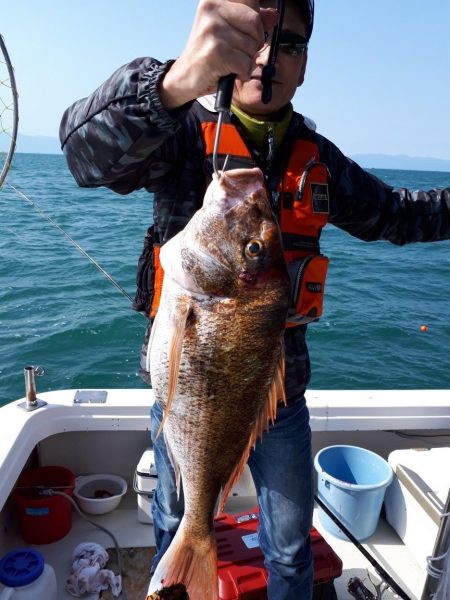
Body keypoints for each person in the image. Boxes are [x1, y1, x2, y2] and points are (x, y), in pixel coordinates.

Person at [59, 1, 450, 598]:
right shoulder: (180, 135)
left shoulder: (320, 161)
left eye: (287, 45)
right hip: (184, 391)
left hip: (282, 396)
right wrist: (173, 83)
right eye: (255, 38)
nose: (266, 59)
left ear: (304, 66)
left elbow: (395, 215)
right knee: (172, 520)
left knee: (290, 548)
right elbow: (82, 155)